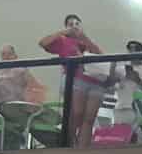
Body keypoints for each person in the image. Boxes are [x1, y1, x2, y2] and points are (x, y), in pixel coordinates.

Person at [39, 14, 106, 146]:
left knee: (88, 118)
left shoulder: (86, 42)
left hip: (93, 81)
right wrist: (63, 32)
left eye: (76, 23)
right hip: (74, 79)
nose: (74, 26)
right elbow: (43, 43)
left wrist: (84, 38)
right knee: (75, 114)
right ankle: (70, 145)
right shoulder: (62, 40)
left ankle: (82, 147)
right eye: (70, 24)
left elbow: (101, 57)